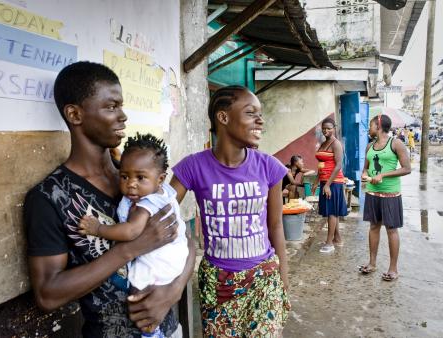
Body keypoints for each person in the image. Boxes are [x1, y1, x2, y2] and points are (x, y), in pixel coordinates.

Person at [24, 61, 195, 338]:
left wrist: (173, 290)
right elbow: (47, 294)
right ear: (75, 114)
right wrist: (130, 249)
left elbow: (186, 240)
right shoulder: (50, 197)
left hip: (169, 328)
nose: (123, 116)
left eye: (122, 106)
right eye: (111, 106)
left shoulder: (139, 180)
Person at [171, 85, 291, 337]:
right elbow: (161, 212)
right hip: (217, 281)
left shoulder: (269, 167)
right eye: (251, 113)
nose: (260, 120)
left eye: (260, 113)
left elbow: (275, 226)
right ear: (223, 117)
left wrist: (283, 278)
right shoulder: (193, 167)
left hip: (262, 276)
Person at [78, 133, 189, 337]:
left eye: (140, 177)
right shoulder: (162, 191)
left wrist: (98, 229)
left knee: (138, 293)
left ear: (161, 179)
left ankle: (150, 331)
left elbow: (130, 231)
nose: (131, 184)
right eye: (124, 176)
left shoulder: (145, 204)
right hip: (176, 256)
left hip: (159, 261)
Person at [359, 114, 411, 281]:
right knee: (374, 226)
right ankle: (372, 263)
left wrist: (383, 175)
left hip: (390, 193)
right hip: (372, 192)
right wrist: (365, 175)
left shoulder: (396, 143)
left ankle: (393, 269)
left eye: (371, 125)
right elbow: (365, 169)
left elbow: (406, 168)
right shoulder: (369, 146)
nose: (369, 128)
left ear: (379, 126)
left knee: (391, 229)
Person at [313, 117, 347, 253]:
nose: (326, 130)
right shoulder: (323, 143)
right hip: (325, 181)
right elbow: (321, 165)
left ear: (334, 129)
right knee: (331, 212)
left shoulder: (336, 144)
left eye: (329, 128)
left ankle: (329, 243)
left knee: (332, 212)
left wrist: (327, 185)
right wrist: (317, 182)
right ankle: (337, 239)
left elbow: (338, 165)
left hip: (333, 182)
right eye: (324, 128)